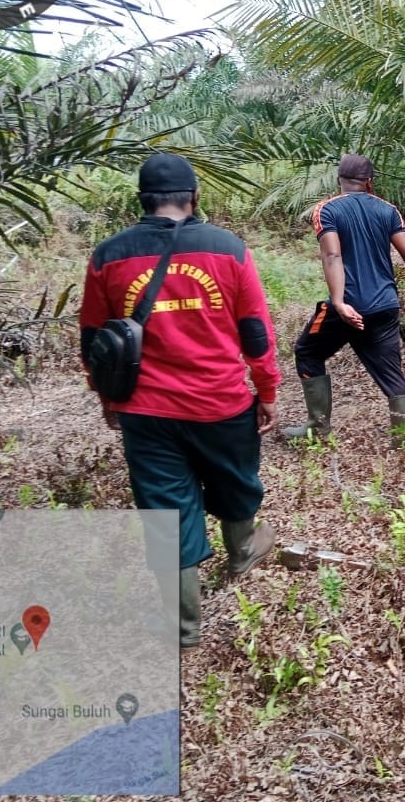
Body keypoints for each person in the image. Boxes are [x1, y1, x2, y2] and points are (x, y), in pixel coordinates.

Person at [80, 152, 280, 648]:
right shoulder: (227, 248)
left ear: (142, 200)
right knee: (235, 481)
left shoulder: (108, 255)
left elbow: (93, 341)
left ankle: (184, 629)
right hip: (222, 402)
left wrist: (107, 396)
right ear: (193, 197)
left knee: (166, 508)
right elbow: (254, 331)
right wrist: (267, 390)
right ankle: (242, 554)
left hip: (145, 413)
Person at [283, 153, 405, 441]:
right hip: (385, 305)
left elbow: (332, 254)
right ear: (369, 182)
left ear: (339, 179)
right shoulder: (388, 210)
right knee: (391, 373)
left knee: (308, 351)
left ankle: (318, 429)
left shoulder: (327, 210)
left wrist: (340, 302)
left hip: (347, 306)